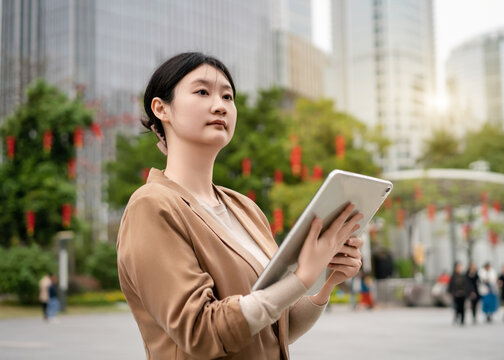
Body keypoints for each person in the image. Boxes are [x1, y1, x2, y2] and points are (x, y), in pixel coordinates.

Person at [116, 52, 364, 360]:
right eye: (202, 91)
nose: (220, 105)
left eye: (228, 96)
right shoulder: (152, 206)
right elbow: (201, 333)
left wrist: (326, 281)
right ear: (161, 108)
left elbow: (270, 333)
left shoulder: (245, 209)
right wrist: (301, 276)